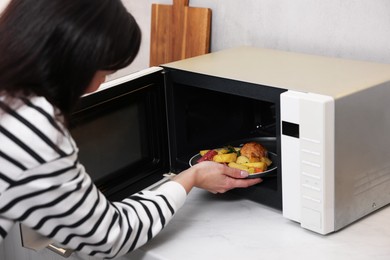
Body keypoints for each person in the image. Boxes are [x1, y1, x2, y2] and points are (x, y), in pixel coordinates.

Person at [0, 0, 262, 258]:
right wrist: (190, 177)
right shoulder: (31, 129)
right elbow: (110, 236)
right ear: (73, 59)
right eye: (103, 71)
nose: (97, 86)